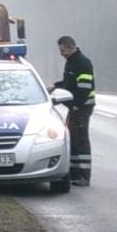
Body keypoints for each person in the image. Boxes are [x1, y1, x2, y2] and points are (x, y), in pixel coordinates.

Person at [49, 35, 95, 186]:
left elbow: (84, 88)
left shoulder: (82, 63)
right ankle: (75, 174)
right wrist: (56, 86)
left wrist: (75, 105)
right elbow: (69, 83)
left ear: (70, 47)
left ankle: (83, 176)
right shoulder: (71, 62)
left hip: (82, 107)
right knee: (74, 139)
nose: (61, 53)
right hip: (75, 107)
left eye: (62, 50)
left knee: (81, 140)